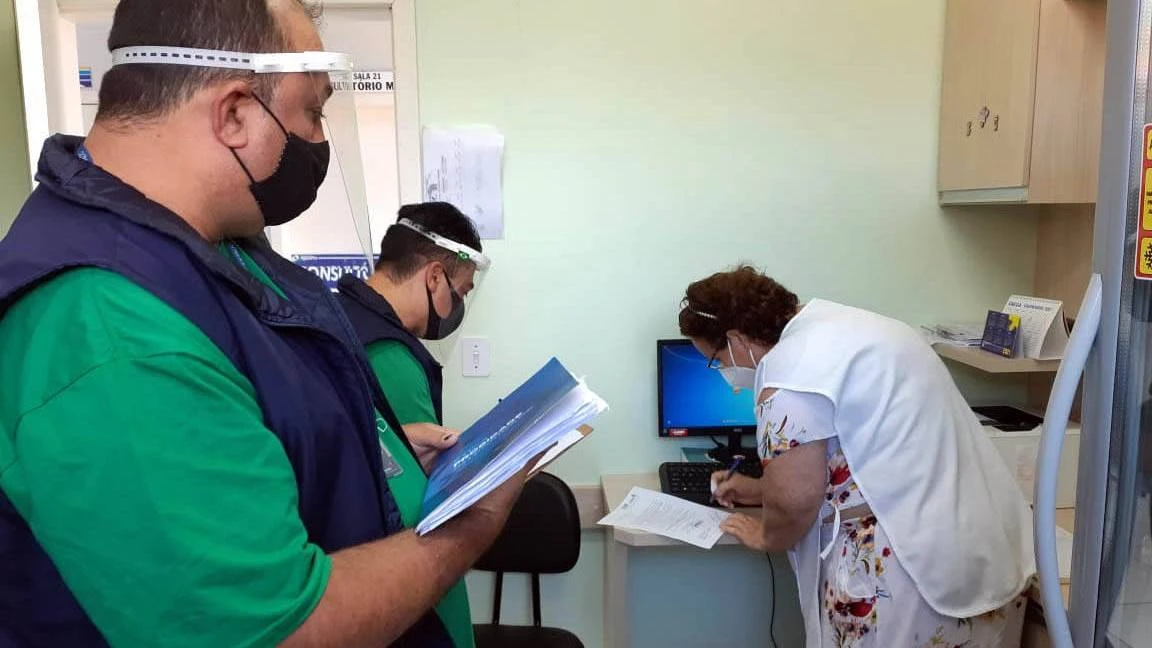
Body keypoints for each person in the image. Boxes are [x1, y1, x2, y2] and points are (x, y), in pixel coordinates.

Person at [0, 2, 531, 646]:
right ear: (234, 113)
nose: (318, 140)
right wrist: (472, 523)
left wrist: (367, 448)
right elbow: (279, 631)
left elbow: (251, 425)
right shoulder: (111, 328)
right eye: (312, 111)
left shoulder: (218, 250)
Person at [678, 265, 1035, 647]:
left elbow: (795, 500)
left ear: (735, 338)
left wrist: (765, 535)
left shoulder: (789, 375)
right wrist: (758, 489)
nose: (724, 372)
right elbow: (858, 456)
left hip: (910, 577)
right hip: (988, 541)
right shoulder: (859, 328)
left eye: (717, 360)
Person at [335, 203, 490, 648]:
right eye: (460, 292)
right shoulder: (390, 355)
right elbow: (419, 504)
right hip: (405, 595)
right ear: (435, 277)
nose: (458, 306)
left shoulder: (337, 321)